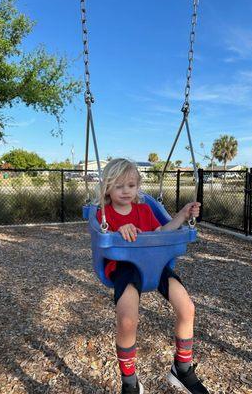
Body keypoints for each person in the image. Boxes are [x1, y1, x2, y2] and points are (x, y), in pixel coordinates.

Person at [96, 158, 209, 394]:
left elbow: (162, 231)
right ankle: (129, 382)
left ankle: (182, 368)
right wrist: (120, 231)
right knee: (127, 319)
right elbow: (103, 234)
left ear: (138, 186)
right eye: (119, 186)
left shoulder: (144, 210)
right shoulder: (104, 214)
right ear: (107, 188)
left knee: (187, 308)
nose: (126, 191)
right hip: (124, 268)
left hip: (156, 265)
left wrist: (182, 215)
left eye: (131, 185)